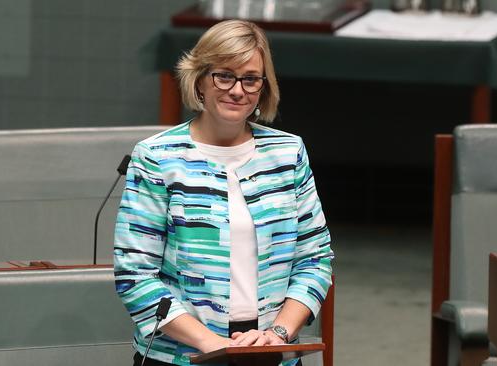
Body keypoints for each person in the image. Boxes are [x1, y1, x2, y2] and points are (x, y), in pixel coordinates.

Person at [114, 19, 333, 366]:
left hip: (269, 350)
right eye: (224, 75)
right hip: (181, 353)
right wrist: (213, 344)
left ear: (263, 87)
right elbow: (135, 273)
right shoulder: (157, 157)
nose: (237, 90)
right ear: (200, 80)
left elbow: (315, 260)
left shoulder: (287, 153)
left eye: (250, 79)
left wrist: (277, 334)